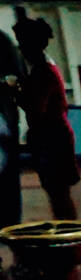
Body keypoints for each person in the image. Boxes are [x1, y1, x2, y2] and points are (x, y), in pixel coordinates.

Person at [13, 15, 79, 220]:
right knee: (57, 193)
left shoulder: (44, 71)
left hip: (54, 139)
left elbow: (36, 107)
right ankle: (69, 237)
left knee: (59, 193)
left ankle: (71, 240)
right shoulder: (44, 68)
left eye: (22, 44)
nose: (21, 50)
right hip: (53, 136)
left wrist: (14, 90)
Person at [0, 30, 22, 232]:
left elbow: (16, 80)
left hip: (4, 126)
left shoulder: (3, 43)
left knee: (7, 188)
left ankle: (13, 237)